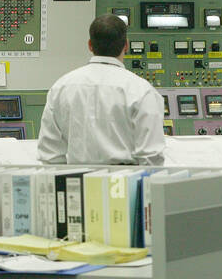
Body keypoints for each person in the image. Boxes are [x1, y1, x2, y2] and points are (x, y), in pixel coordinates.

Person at [37, 15, 165, 166]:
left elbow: (50, 156)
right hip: (125, 184)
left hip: (77, 183)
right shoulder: (141, 90)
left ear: (90, 45)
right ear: (126, 46)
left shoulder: (61, 88)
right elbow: (151, 158)